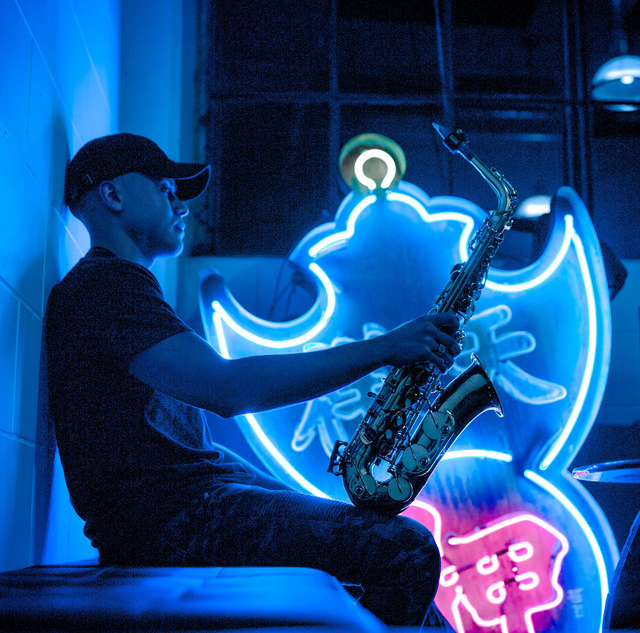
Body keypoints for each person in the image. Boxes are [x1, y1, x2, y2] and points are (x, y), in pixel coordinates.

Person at [42, 133, 461, 626]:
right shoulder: (106, 286)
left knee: (401, 563)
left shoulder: (123, 290)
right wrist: (385, 348)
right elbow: (229, 388)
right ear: (112, 195)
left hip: (188, 509)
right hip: (168, 524)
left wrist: (304, 503)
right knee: (406, 550)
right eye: (164, 188)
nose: (180, 204)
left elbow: (194, 450)